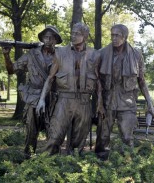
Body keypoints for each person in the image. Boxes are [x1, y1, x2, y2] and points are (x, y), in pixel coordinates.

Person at [36, 22, 104, 156]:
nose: (73, 36)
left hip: (84, 101)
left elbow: (98, 82)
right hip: (64, 100)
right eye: (72, 33)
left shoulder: (94, 55)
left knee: (79, 140)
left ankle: (73, 169)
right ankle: (45, 166)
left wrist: (100, 104)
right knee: (55, 136)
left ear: (85, 36)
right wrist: (42, 100)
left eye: (77, 34)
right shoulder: (60, 53)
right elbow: (50, 78)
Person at [95, 24, 154, 160]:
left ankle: (127, 165)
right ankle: (99, 165)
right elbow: (97, 81)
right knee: (102, 137)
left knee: (128, 137)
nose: (114, 38)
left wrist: (149, 102)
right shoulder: (102, 53)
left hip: (127, 102)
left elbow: (141, 80)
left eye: (117, 35)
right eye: (112, 35)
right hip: (107, 101)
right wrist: (99, 103)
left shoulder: (136, 54)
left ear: (125, 37)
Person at [2, 25, 62, 158]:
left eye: (51, 38)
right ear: (42, 39)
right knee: (31, 129)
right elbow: (12, 70)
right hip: (34, 98)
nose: (48, 40)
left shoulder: (61, 56)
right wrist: (6, 55)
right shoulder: (31, 55)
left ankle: (51, 158)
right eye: (46, 37)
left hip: (54, 99)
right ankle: (28, 156)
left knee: (55, 130)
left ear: (56, 40)